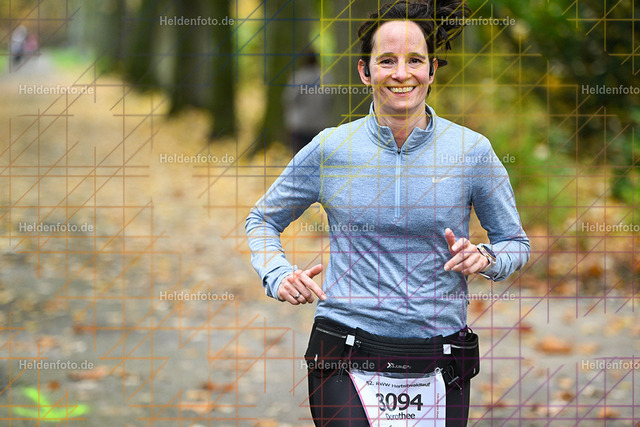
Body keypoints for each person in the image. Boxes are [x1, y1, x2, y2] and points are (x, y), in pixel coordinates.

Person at [245, 0, 530, 425]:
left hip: (440, 355)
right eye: (387, 61)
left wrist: (486, 257)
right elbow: (263, 219)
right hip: (344, 347)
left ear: (432, 70)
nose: (401, 73)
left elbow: (515, 243)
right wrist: (278, 273)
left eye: (414, 60)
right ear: (365, 71)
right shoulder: (331, 148)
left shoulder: (471, 151)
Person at [282, 49, 334, 153]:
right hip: (319, 124)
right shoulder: (326, 77)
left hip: (300, 124)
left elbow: (289, 98)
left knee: (299, 156)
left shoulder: (299, 77)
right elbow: (329, 99)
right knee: (316, 156)